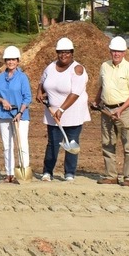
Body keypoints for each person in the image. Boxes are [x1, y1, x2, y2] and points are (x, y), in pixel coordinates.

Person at [36, 37, 90, 182]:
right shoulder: (50, 66)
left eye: (66, 52)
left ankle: (69, 173)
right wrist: (39, 92)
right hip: (53, 113)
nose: (63, 55)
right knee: (53, 142)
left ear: (72, 53)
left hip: (73, 112)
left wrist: (61, 109)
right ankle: (47, 172)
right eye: (60, 52)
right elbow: (42, 81)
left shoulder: (78, 69)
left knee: (71, 142)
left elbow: (76, 93)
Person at [92, 36, 129, 187]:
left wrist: (121, 109)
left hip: (124, 110)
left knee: (128, 145)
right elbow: (102, 86)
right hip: (106, 109)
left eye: (119, 51)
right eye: (114, 51)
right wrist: (97, 101)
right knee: (107, 143)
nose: (116, 54)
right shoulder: (104, 66)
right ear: (110, 51)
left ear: (124, 52)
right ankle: (111, 175)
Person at [0, 45, 31, 184]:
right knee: (7, 145)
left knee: (22, 145)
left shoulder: (22, 77)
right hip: (4, 115)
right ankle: (9, 174)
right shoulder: (0, 78)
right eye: (8, 60)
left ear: (18, 61)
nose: (11, 62)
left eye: (13, 59)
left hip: (20, 116)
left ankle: (24, 171)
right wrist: (2, 101)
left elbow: (27, 97)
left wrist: (20, 112)